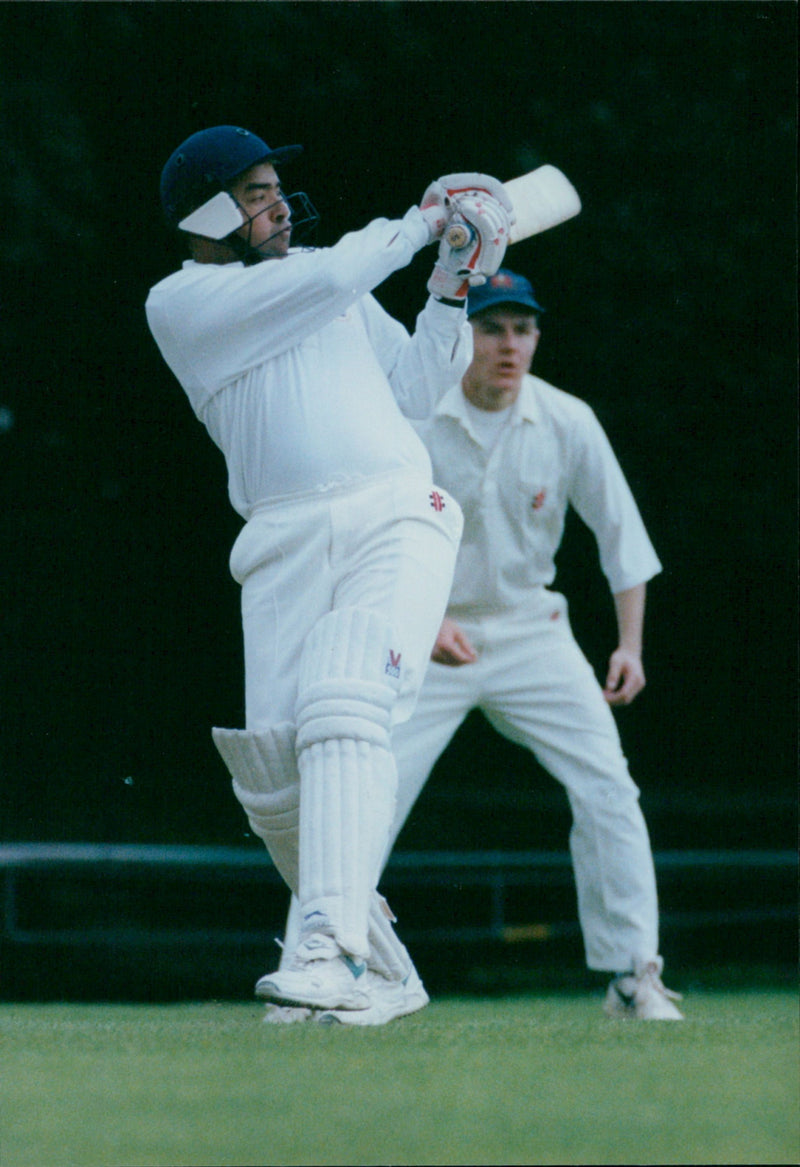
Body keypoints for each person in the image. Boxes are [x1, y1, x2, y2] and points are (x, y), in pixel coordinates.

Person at [144, 125, 514, 1023]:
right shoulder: (183, 301)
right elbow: (331, 275)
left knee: (345, 697)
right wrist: (427, 221)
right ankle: (380, 962)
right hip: (279, 542)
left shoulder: (331, 289)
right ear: (206, 212)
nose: (276, 205)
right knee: (272, 775)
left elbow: (416, 387)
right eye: (256, 191)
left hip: (393, 510)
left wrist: (450, 284)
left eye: (275, 188)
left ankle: (332, 950)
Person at [382, 268, 684, 1022]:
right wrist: (417, 619)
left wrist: (630, 646)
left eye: (522, 329)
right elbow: (372, 533)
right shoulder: (414, 418)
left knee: (608, 786)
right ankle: (318, 966)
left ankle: (633, 973)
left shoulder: (567, 419)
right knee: (362, 790)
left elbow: (623, 538)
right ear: (467, 336)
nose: (508, 345)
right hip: (428, 634)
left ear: (537, 336)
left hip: (531, 632)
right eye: (491, 328)